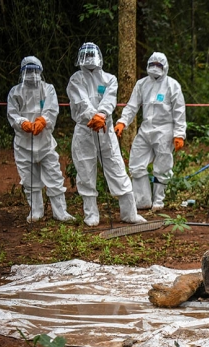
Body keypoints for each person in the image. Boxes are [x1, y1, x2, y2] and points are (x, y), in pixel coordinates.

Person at [67, 42, 146, 226]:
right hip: (85, 131)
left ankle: (129, 213)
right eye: (85, 57)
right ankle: (91, 214)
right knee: (85, 171)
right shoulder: (76, 79)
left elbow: (110, 99)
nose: (89, 61)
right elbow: (81, 100)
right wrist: (92, 116)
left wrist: (101, 115)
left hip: (105, 130)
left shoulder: (110, 79)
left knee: (117, 167)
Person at [115, 52, 186, 211]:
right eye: (151, 65)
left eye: (158, 65)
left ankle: (159, 201)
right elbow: (132, 106)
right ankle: (142, 201)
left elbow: (179, 111)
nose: (154, 68)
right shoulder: (142, 84)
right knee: (136, 163)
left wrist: (179, 134)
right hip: (146, 129)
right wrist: (122, 122)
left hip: (165, 130)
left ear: (165, 67)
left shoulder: (172, 85)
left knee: (162, 165)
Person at [7, 56, 75, 223]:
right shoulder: (15, 92)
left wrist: (44, 120)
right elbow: (12, 113)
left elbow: (52, 109)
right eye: (28, 70)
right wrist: (22, 123)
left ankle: (60, 212)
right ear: (22, 72)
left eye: (35, 70)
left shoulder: (48, 89)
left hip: (44, 142)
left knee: (54, 175)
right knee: (29, 178)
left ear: (41, 71)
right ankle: (35, 211)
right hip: (23, 143)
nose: (32, 74)